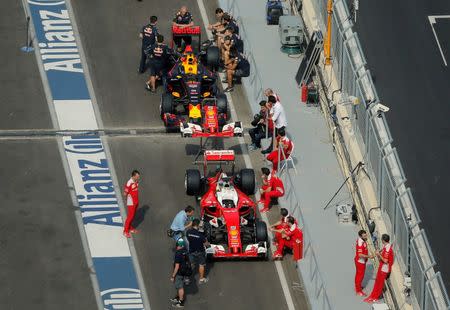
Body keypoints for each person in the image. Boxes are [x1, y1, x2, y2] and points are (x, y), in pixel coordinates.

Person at [364, 234, 394, 303]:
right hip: (382, 267)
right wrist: (377, 253)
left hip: (384, 268)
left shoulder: (387, 249)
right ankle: (373, 295)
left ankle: (375, 297)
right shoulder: (387, 246)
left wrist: (379, 255)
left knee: (379, 284)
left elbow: (386, 261)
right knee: (377, 282)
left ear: (383, 240)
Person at [186, 219, 209, 284]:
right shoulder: (201, 235)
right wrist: (207, 242)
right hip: (200, 251)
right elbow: (206, 244)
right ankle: (201, 279)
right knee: (201, 265)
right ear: (197, 225)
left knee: (190, 264)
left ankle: (187, 278)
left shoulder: (188, 232)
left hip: (191, 251)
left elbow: (188, 239)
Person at [170, 238, 191, 308]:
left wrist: (173, 276)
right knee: (179, 286)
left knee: (180, 287)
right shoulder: (185, 251)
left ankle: (181, 302)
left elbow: (177, 266)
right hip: (185, 270)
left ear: (177, 245)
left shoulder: (178, 253)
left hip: (179, 272)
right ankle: (177, 298)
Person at [354, 230, 374, 296]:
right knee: (360, 276)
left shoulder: (363, 241)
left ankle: (358, 287)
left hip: (361, 261)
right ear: (361, 236)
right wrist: (369, 256)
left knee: (359, 275)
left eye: (366, 235)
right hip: (360, 262)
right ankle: (358, 291)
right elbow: (360, 254)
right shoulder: (360, 243)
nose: (366, 237)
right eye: (364, 236)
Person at [123, 170, 140, 238]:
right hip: (131, 202)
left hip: (136, 200)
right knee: (130, 216)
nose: (138, 178)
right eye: (137, 176)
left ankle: (130, 228)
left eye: (138, 176)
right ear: (133, 176)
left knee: (133, 216)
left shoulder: (136, 181)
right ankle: (125, 231)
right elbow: (124, 193)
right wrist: (128, 199)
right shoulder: (129, 183)